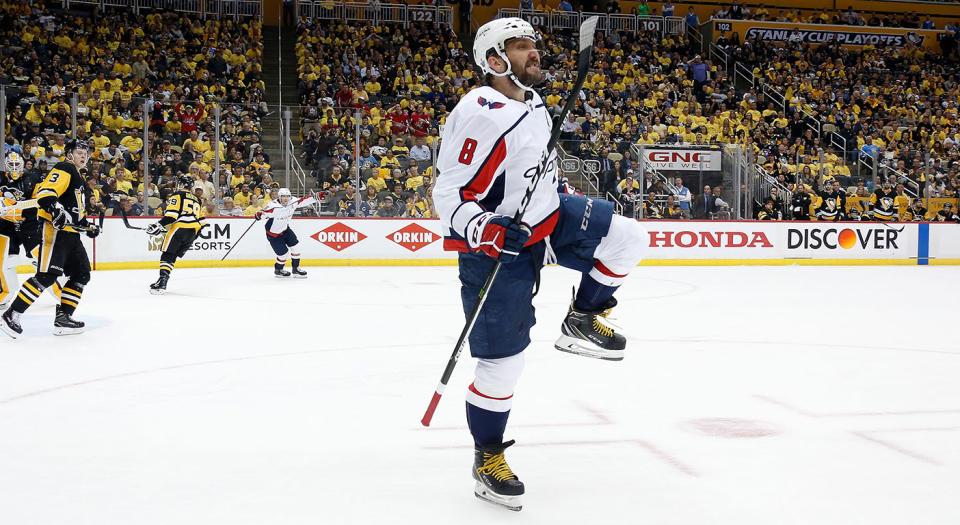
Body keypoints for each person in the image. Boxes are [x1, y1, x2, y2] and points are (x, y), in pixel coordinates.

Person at [432, 18, 645, 512]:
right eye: (522, 47)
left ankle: (583, 317)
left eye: (535, 45)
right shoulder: (480, 112)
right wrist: (486, 227)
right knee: (503, 365)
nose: (535, 54)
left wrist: (560, 195)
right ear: (494, 60)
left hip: (548, 220)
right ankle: (488, 457)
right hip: (498, 248)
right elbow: (448, 191)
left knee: (628, 236)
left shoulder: (533, 100)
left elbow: (534, 168)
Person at [2, 140, 100, 339]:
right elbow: (46, 192)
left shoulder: (78, 177)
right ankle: (12, 314)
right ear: (69, 154)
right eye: (79, 152)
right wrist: (54, 207)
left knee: (81, 274)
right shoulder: (65, 168)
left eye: (85, 153)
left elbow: (75, 213)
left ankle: (64, 318)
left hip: (71, 235)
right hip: (55, 232)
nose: (83, 155)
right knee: (47, 275)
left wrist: (87, 226)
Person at [145, 176, 207, 295]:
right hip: (192, 231)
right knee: (172, 255)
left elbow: (171, 216)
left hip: (179, 228)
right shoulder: (197, 199)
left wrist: (157, 225)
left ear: (182, 185)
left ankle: (162, 282)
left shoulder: (177, 195)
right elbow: (202, 223)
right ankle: (162, 280)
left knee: (167, 254)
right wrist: (193, 236)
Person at [255, 188, 318, 278]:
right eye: (283, 196)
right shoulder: (273, 206)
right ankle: (278, 270)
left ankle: (295, 269)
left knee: (296, 247)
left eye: (287, 196)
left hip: (285, 229)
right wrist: (258, 215)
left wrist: (316, 197)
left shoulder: (292, 201)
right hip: (274, 234)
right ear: (279, 197)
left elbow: (303, 200)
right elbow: (263, 212)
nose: (285, 198)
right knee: (283, 254)